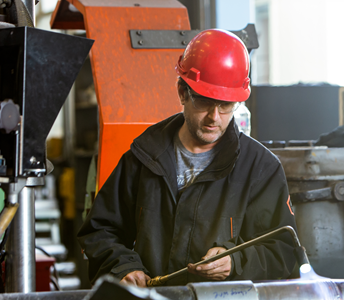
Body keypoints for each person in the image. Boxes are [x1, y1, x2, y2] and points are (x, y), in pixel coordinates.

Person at [77, 29, 298, 287]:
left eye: (226, 105)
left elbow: (284, 252)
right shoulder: (144, 157)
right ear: (183, 92)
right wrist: (123, 267)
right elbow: (100, 230)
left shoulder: (260, 169)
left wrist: (235, 262)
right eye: (205, 101)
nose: (214, 117)